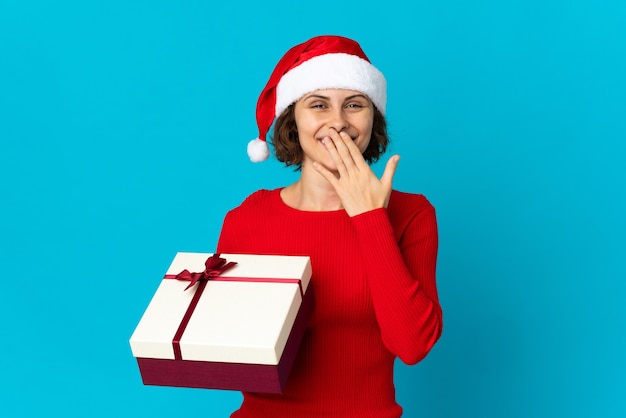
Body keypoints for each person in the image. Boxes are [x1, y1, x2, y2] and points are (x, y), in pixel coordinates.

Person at [217, 35, 443, 418]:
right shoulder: (246, 219)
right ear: (293, 119)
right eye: (318, 105)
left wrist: (369, 219)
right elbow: (227, 350)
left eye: (354, 105)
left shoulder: (411, 214)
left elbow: (412, 345)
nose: (338, 121)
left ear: (373, 117)